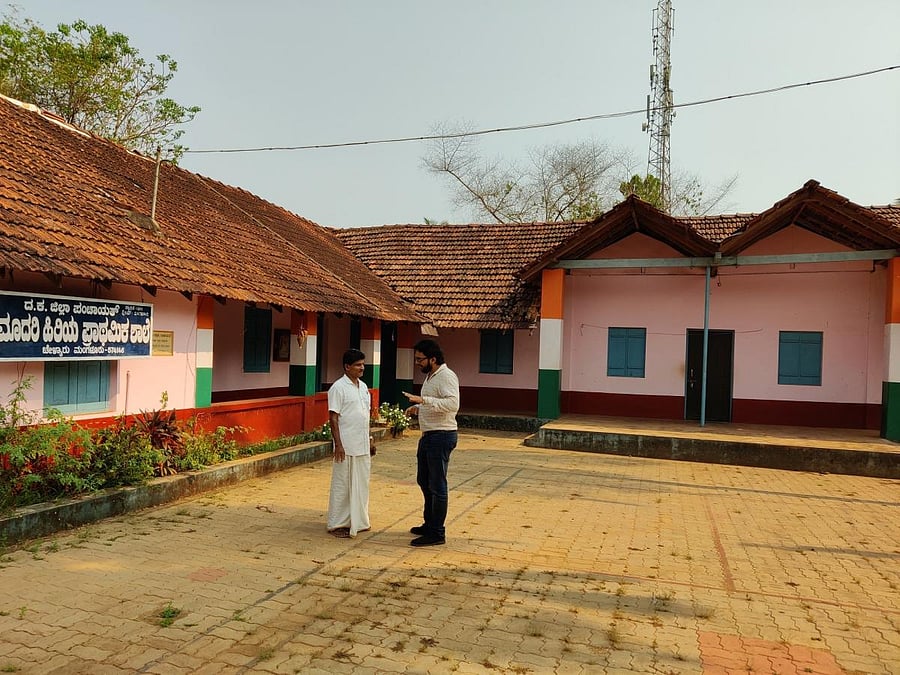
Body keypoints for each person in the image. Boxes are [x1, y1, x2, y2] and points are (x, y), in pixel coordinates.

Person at [402, 339, 460, 547]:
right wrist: (418, 408)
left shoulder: (446, 376)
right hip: (428, 435)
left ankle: (437, 533)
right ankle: (429, 524)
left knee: (437, 485)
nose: (417, 363)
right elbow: (435, 403)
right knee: (424, 481)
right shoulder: (431, 376)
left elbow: (453, 404)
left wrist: (423, 401)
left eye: (420, 359)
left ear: (433, 359)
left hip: (442, 435)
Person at [326, 348, 375, 538]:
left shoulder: (363, 387)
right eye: (358, 365)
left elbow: (365, 416)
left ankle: (360, 521)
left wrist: (370, 439)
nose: (362, 368)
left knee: (362, 483)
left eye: (363, 364)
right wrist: (338, 444)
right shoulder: (338, 388)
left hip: (362, 444)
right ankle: (337, 523)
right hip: (345, 445)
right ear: (347, 367)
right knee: (343, 484)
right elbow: (333, 418)